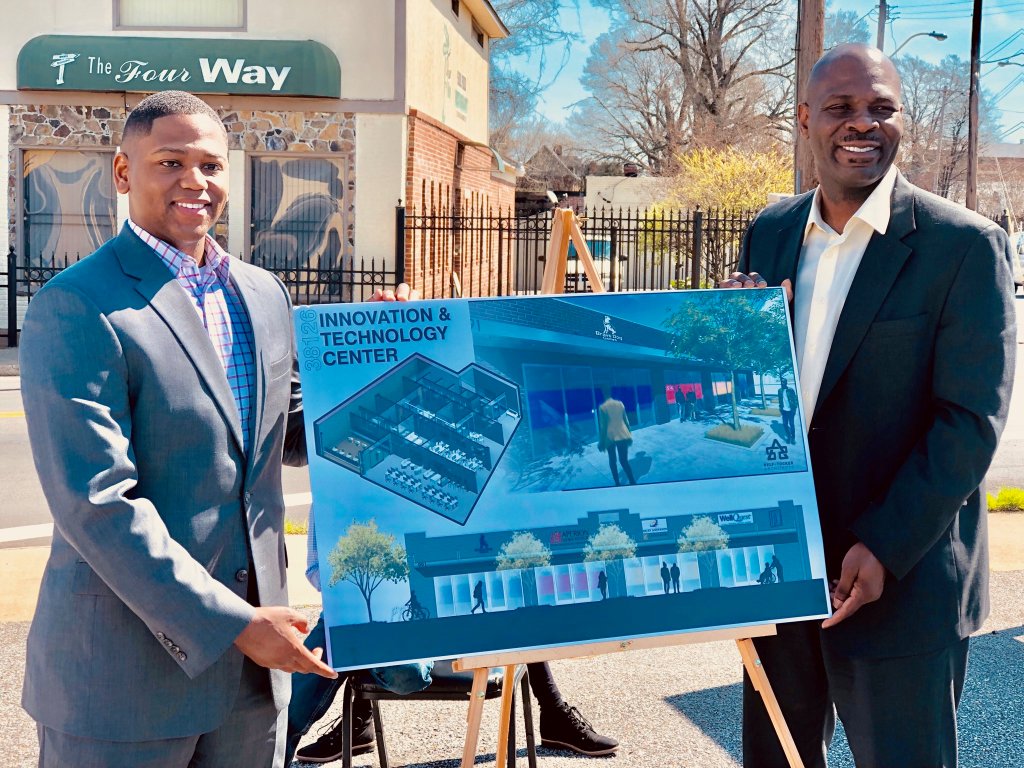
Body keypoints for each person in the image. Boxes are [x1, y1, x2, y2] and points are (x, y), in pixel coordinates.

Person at [17, 91, 344, 767]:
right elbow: (96, 503)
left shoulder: (263, 293)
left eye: (211, 165)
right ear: (123, 172)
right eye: (171, 162)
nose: (195, 181)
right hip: (122, 682)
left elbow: (289, 436)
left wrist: (382, 361)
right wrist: (234, 624)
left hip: (253, 682)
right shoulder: (77, 304)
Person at [721, 44, 1016, 768]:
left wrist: (883, 544)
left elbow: (969, 421)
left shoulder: (964, 246)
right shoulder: (770, 233)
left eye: (882, 107)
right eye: (841, 107)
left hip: (901, 580)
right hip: (781, 568)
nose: (863, 123)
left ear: (903, 120)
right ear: (804, 120)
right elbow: (752, 395)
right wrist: (732, 337)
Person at [290, 512, 619, 763]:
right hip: (366, 615)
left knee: (514, 599)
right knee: (295, 691)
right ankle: (349, 721)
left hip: (437, 604)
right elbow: (319, 572)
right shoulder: (328, 483)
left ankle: (554, 712)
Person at [597, 394, 636, 486]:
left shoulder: (603, 407)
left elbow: (603, 427)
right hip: (622, 434)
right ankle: (632, 481)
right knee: (624, 461)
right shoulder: (620, 404)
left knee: (612, 460)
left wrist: (601, 441)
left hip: (610, 437)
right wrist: (629, 434)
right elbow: (626, 421)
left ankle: (617, 483)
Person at [777, 376, 798, 445]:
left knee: (792, 424)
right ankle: (789, 437)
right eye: (781, 382)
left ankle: (793, 438)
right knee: (785, 424)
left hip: (791, 410)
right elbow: (780, 400)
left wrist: (794, 408)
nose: (782, 383)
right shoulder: (779, 390)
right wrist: (780, 408)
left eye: (783, 382)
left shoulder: (790, 390)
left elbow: (795, 399)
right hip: (784, 411)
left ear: (786, 383)